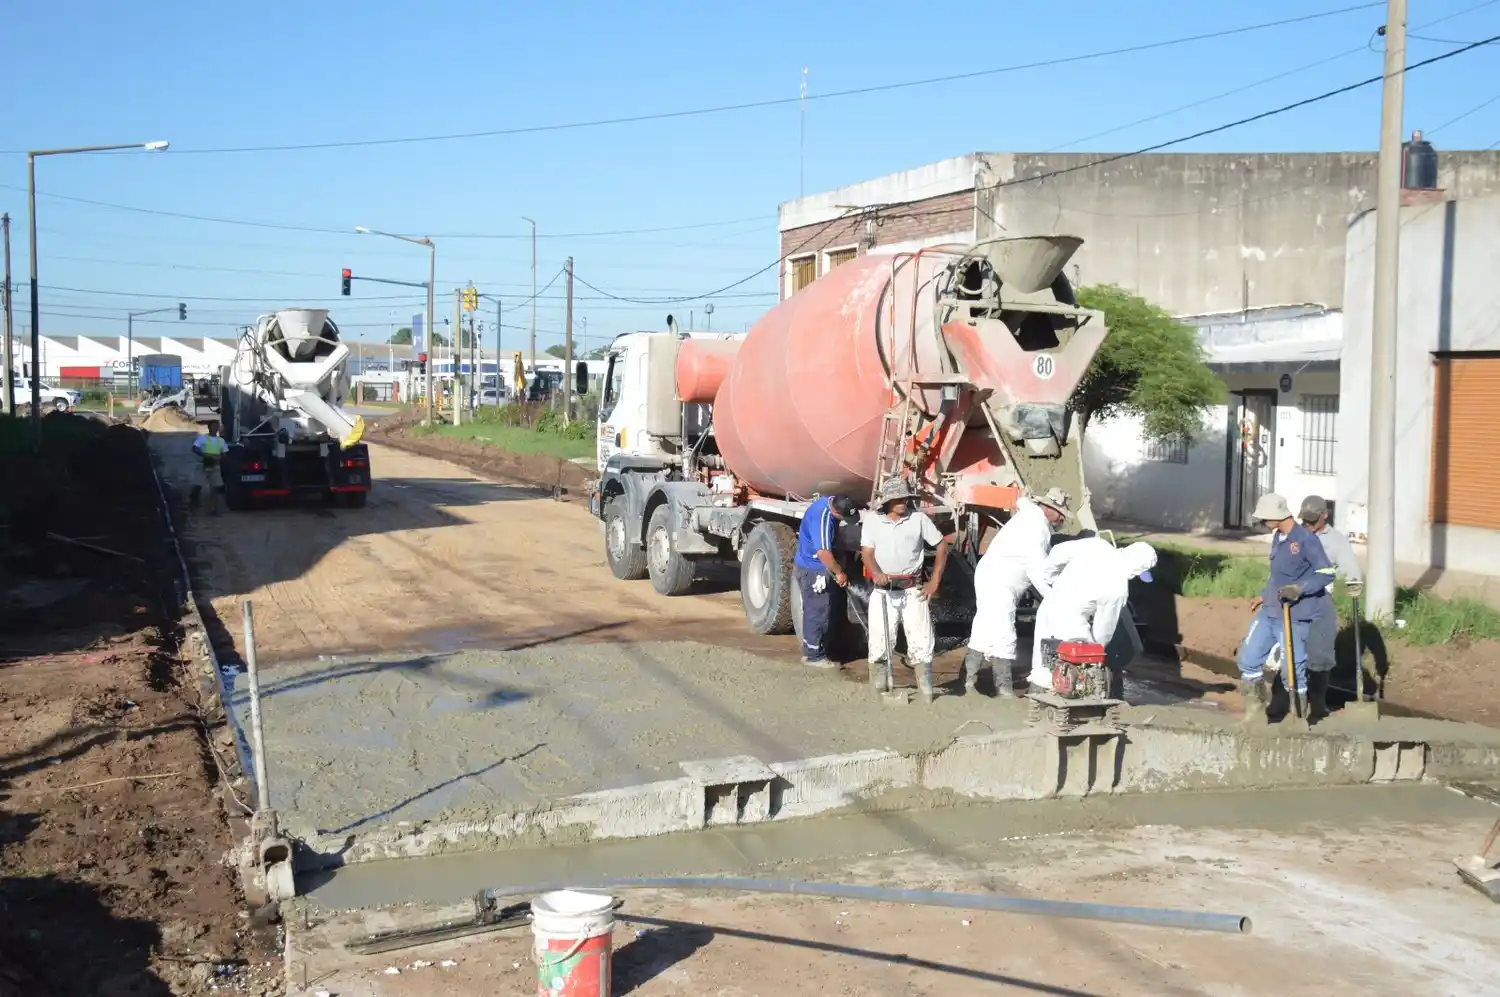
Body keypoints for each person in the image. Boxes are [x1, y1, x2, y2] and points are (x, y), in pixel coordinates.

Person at [1235, 492, 1335, 726]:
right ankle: (1255, 714)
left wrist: (1299, 589)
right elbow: (1277, 575)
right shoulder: (1278, 538)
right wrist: (1263, 595)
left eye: (1263, 519)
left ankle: (1296, 719)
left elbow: (1327, 574)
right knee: (1248, 659)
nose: (1262, 523)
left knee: (1293, 671)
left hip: (1294, 615)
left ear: (1275, 517)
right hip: (1270, 611)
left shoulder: (1306, 540)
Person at [962, 487, 1070, 697]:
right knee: (1004, 633)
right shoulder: (1037, 527)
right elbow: (1038, 570)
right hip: (1002, 581)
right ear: (1049, 509)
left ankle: (968, 683)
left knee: (983, 627)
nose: (1061, 518)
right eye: (1060, 513)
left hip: (988, 574)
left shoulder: (1027, 515)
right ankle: (1004, 691)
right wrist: (1055, 598)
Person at [860, 477, 954, 703]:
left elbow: (941, 546)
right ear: (887, 502)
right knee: (880, 640)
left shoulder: (919, 519)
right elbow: (867, 554)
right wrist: (876, 572)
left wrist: (934, 582)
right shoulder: (872, 521)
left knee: (921, 640)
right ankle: (879, 686)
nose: (903, 503)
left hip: (913, 589)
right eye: (898, 499)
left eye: (905, 498)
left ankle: (926, 690)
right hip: (883, 591)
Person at [1028, 539, 1157, 693]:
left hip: (1050, 604)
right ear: (1136, 568)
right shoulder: (1118, 588)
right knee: (1079, 668)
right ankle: (1073, 704)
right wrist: (1098, 653)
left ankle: (1036, 699)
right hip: (1071, 620)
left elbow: (1059, 551)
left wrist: (1050, 575)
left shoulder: (1098, 545)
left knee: (1042, 663)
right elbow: (1104, 628)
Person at [1298, 495, 1363, 719]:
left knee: (1320, 655)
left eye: (1312, 520)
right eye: (1304, 520)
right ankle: (1290, 699)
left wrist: (1353, 582)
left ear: (1324, 515)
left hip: (1319, 602)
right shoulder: (1294, 535)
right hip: (1292, 599)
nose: (1307, 525)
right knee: (1291, 650)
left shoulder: (1336, 541)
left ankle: (1317, 702)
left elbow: (1351, 569)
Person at [794, 493, 860, 668]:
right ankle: (813, 656)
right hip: (814, 570)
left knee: (820, 609)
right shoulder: (822, 518)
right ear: (836, 512)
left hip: (814, 565)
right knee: (817, 610)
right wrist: (839, 572)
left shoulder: (831, 501)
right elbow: (823, 552)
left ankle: (820, 648)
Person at [191, 420, 228, 516]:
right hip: (204, 464)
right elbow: (194, 448)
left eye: (217, 426)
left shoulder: (221, 441)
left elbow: (225, 453)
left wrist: (218, 458)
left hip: (215, 465)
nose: (215, 428)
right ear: (209, 428)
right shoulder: (203, 438)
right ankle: (194, 502)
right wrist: (204, 455)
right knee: (198, 485)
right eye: (213, 426)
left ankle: (213, 508)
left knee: (214, 488)